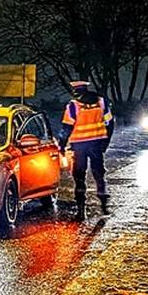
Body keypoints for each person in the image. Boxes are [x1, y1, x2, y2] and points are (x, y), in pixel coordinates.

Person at [59, 80, 114, 220]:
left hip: (79, 147)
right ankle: (104, 206)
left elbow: (66, 128)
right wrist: (105, 142)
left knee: (79, 177)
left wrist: (62, 146)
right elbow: (110, 123)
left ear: (76, 91)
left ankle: (81, 211)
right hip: (97, 145)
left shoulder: (73, 106)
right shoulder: (101, 102)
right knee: (99, 175)